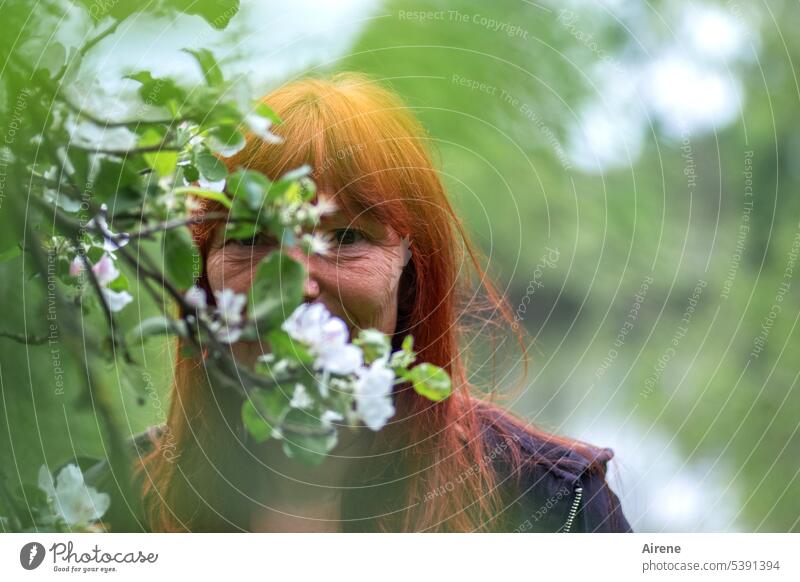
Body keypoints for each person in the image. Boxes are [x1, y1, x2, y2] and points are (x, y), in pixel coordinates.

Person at [86, 73, 632, 533]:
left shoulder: (555, 509)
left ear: (409, 266)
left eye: (345, 238)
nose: (296, 285)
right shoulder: (102, 510)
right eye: (251, 240)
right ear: (201, 275)